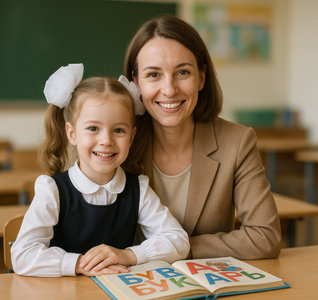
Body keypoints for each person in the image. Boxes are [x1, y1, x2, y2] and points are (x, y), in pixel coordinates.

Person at [123, 15, 281, 259]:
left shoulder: (237, 142)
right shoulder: (116, 143)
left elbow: (265, 237)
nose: (169, 89)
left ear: (202, 77)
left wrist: (173, 249)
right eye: (153, 75)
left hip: (209, 288)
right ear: (135, 83)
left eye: (183, 72)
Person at [11, 63, 189, 277]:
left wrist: (129, 255)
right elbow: (22, 255)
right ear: (72, 133)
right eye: (93, 128)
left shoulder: (138, 189)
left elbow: (178, 240)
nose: (106, 141)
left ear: (132, 136)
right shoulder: (53, 190)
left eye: (119, 130)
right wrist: (79, 263)